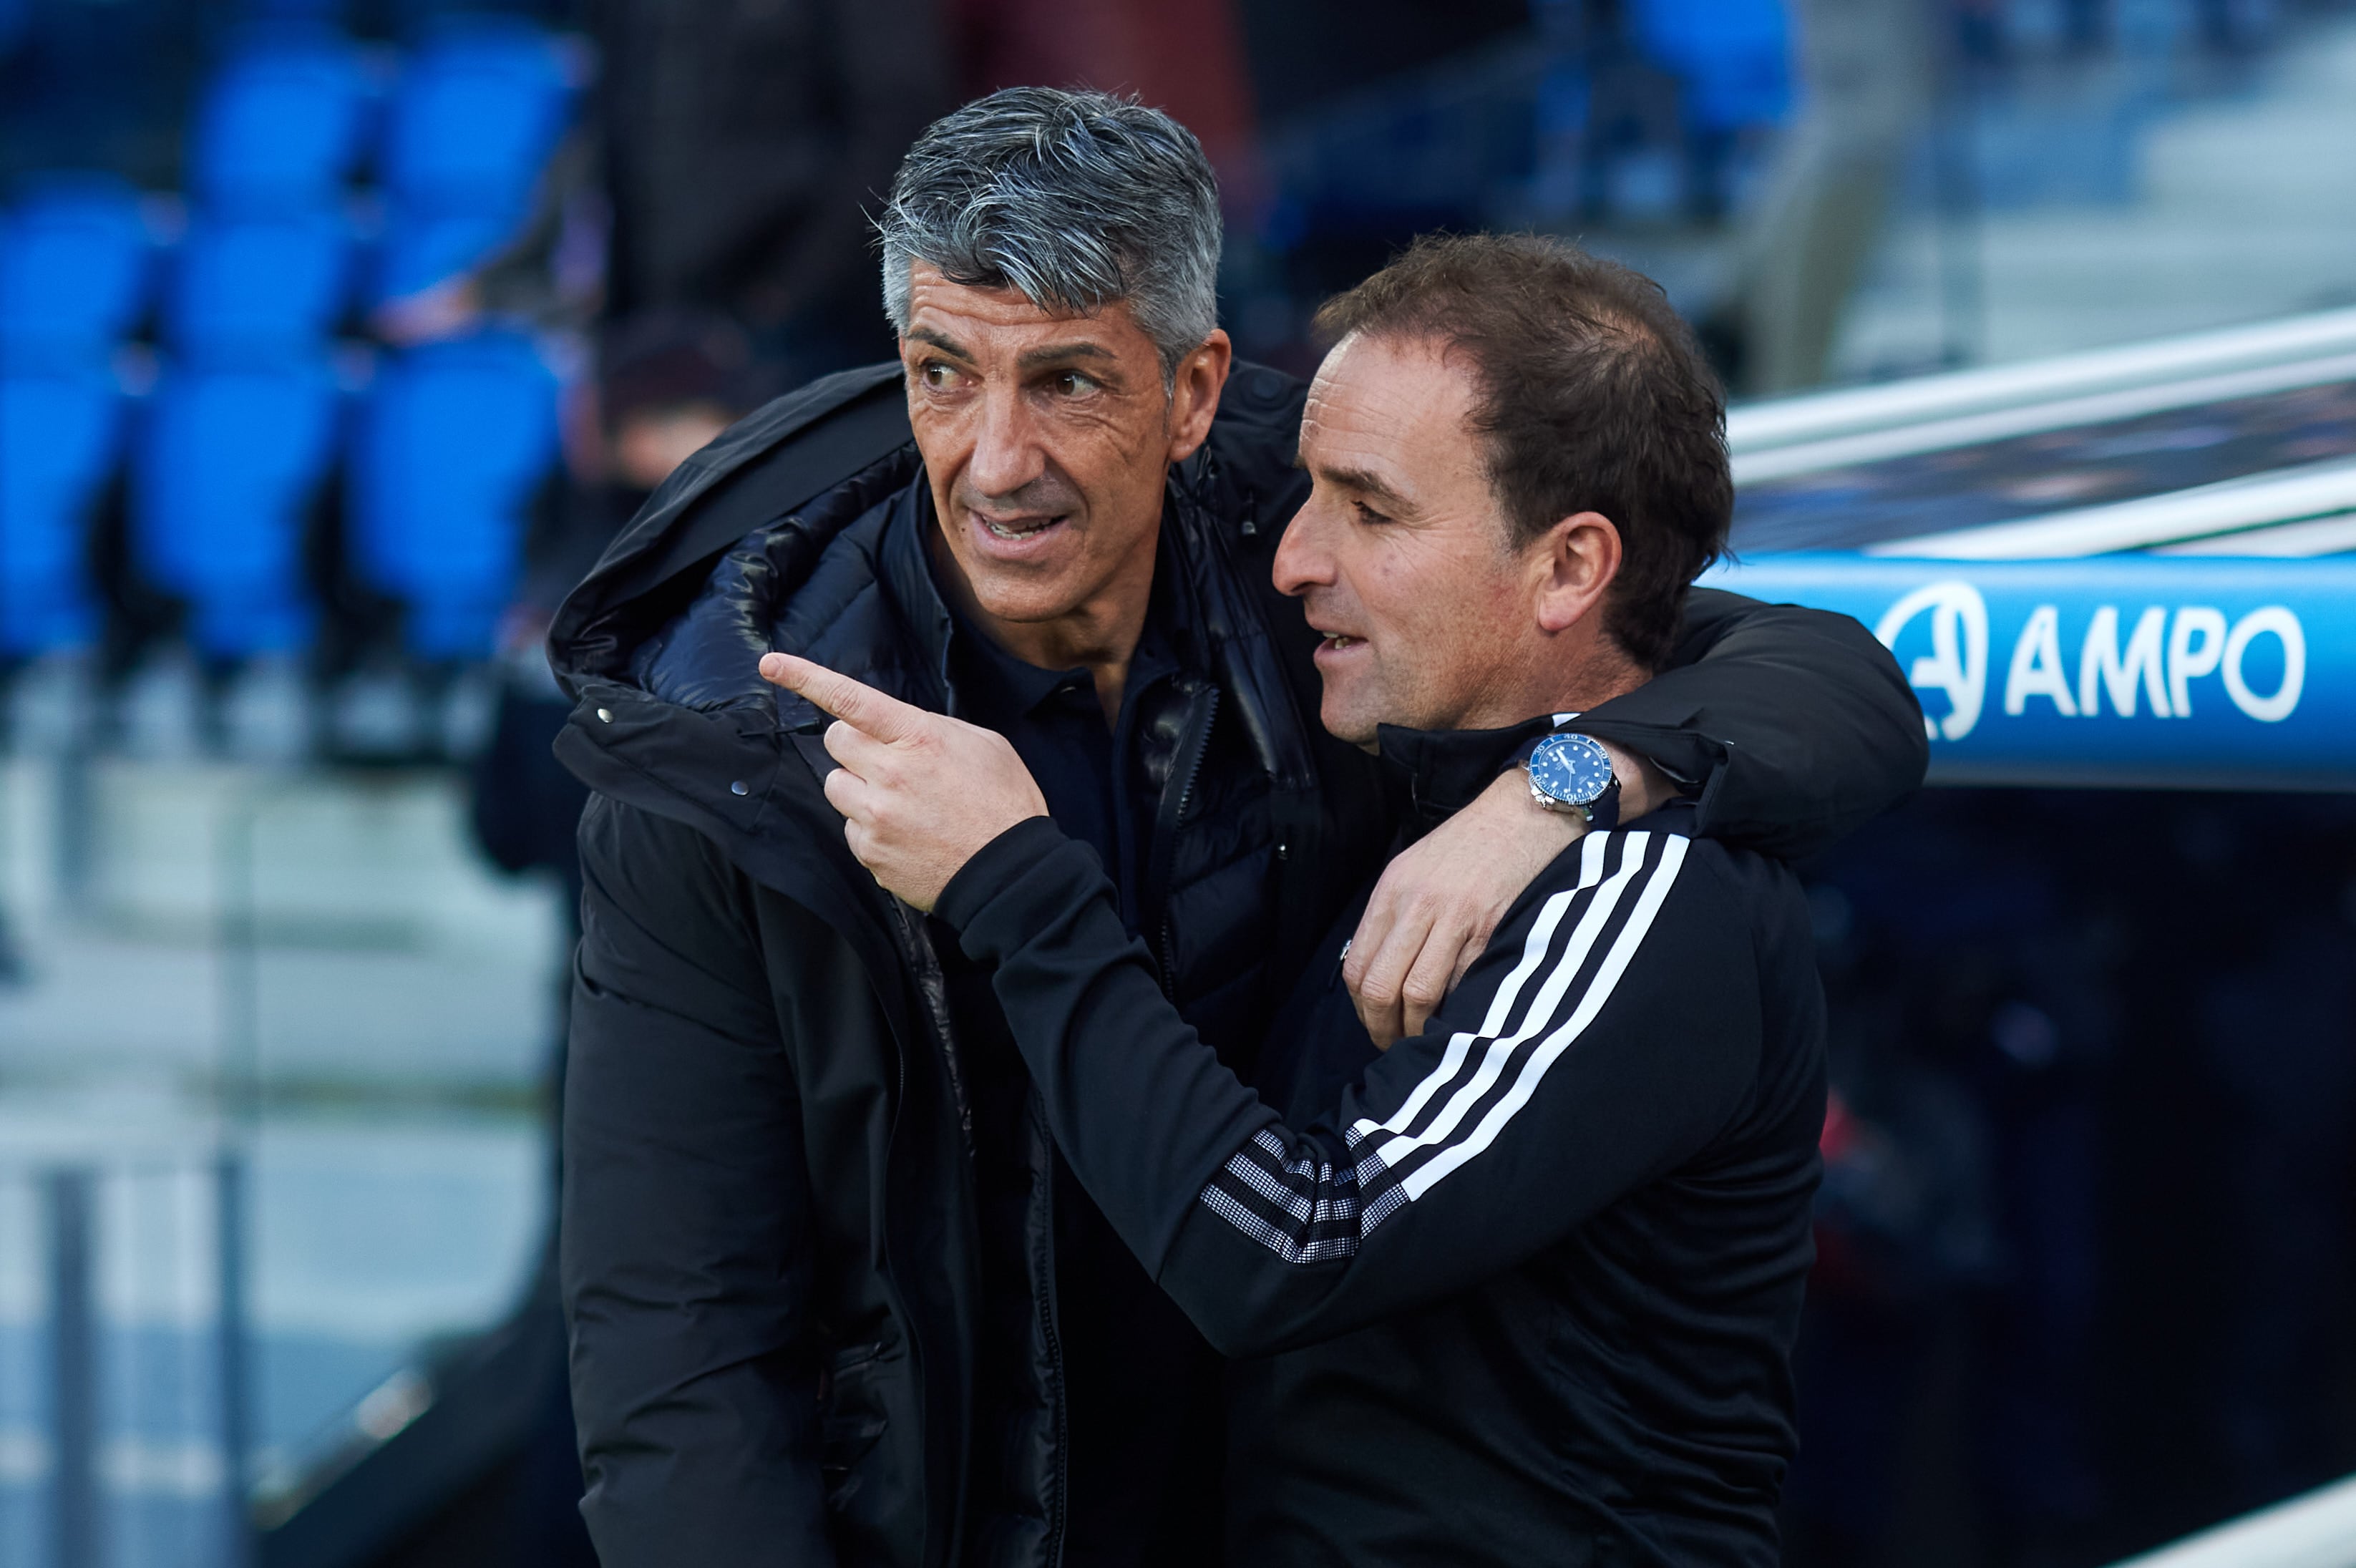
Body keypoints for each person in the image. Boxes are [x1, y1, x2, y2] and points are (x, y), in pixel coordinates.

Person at [549, 91, 1924, 1568]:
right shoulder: (730, 741)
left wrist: (1565, 780)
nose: (998, 460)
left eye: (1068, 382)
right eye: (944, 375)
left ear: (1191, 393)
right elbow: (680, 1340)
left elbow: (1788, 666)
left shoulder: (1315, 568)